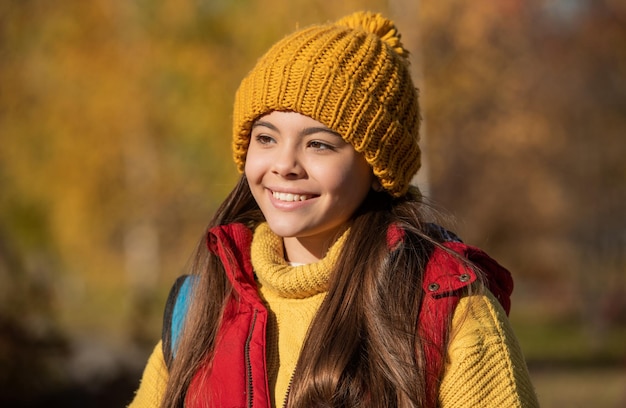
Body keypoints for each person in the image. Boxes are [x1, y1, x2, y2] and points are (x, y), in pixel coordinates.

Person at [128, 11, 539, 408]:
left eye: (318, 144)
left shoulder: (444, 307)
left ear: (378, 169)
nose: (284, 165)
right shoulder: (202, 305)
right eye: (266, 138)